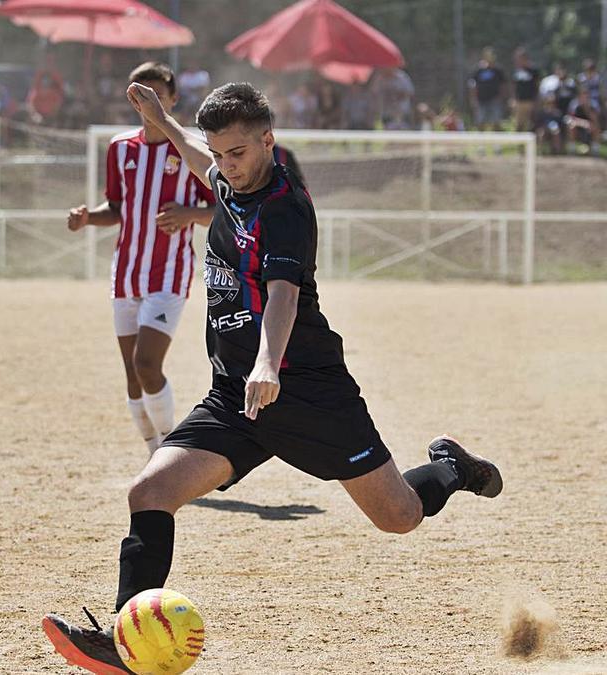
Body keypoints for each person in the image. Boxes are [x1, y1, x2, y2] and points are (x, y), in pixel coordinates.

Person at [42, 81, 503, 673]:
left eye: (237, 153)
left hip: (306, 390)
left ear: (268, 140)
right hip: (237, 396)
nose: (225, 166)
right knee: (150, 492)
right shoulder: (225, 175)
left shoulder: (285, 209)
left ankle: (451, 468)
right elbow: (193, 149)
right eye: (220, 154)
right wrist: (161, 118)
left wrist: (267, 364)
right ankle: (124, 639)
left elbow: (283, 298)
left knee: (400, 517)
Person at [65, 62, 215, 456]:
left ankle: (170, 450)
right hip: (126, 275)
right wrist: (87, 219)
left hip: (169, 273)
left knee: (147, 364)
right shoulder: (120, 147)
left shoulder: (190, 148)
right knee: (133, 376)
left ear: (172, 100)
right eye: (140, 98)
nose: (147, 106)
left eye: (156, 98)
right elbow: (116, 208)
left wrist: (189, 214)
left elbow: (222, 208)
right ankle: (153, 449)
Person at [469, 48, 507, 131]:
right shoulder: (478, 70)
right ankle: (481, 142)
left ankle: (497, 143)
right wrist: (473, 99)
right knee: (480, 122)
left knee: (496, 122)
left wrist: (501, 97)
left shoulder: (498, 70)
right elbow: (473, 85)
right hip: (481, 100)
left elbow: (503, 85)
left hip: (495, 100)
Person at [511, 47, 540, 133]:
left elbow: (537, 85)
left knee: (531, 123)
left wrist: (537, 100)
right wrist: (513, 99)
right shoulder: (516, 71)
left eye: (520, 58)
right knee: (519, 124)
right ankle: (518, 144)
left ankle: (532, 144)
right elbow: (514, 86)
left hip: (530, 101)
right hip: (519, 101)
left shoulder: (533, 70)